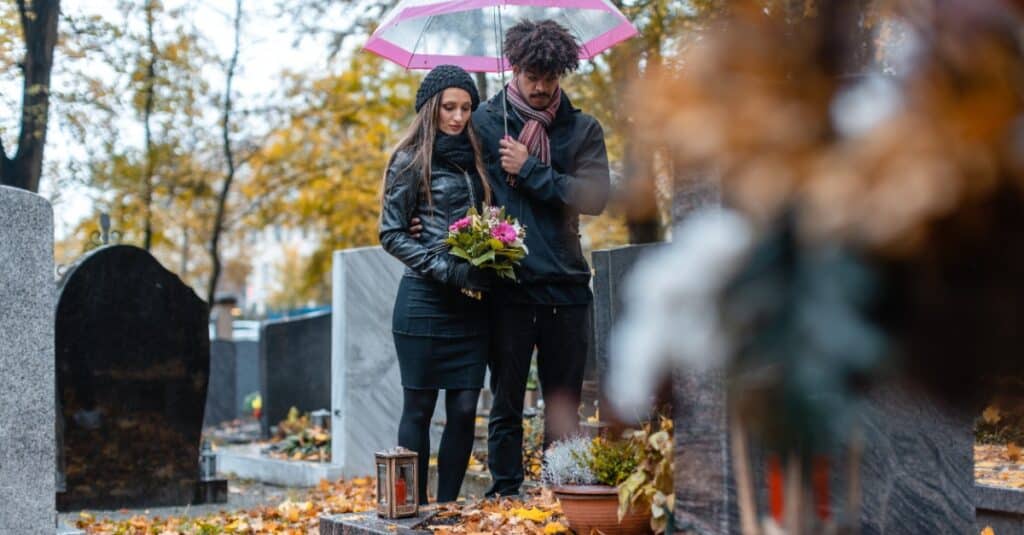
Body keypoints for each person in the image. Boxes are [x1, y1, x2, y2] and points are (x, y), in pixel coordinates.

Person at [413, 20, 612, 497]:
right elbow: (441, 169)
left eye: (550, 77)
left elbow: (595, 197)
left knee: (563, 402)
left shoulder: (582, 130)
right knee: (504, 404)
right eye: (531, 76)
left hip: (566, 286)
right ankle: (505, 492)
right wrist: (422, 219)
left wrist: (532, 169)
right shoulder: (484, 122)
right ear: (514, 68)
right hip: (507, 287)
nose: (541, 87)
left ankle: (558, 491)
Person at [379, 64, 497, 504]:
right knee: (420, 409)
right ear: (431, 109)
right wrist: (444, 267)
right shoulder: (410, 159)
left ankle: (446, 508)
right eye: (449, 107)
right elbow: (390, 233)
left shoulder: (478, 160)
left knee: (466, 409)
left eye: (467, 107)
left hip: (471, 303)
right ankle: (412, 507)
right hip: (424, 301)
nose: (458, 116)